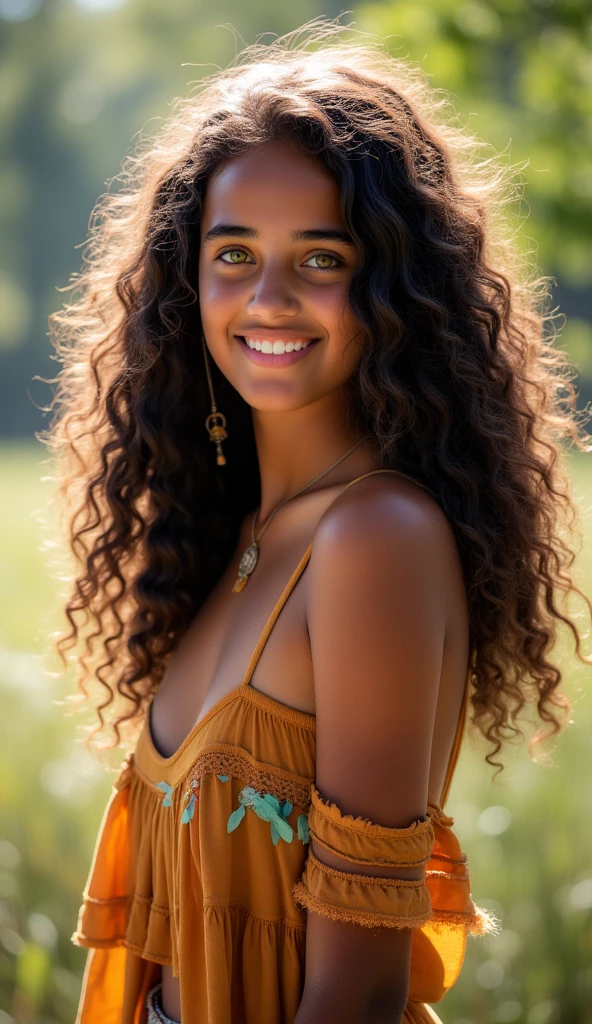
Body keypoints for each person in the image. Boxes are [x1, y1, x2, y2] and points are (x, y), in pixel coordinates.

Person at [44, 23, 591, 1024]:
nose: (268, 298)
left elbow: (357, 989)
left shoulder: (372, 537)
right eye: (234, 253)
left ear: (391, 287)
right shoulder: (246, 535)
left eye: (321, 257)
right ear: (185, 279)